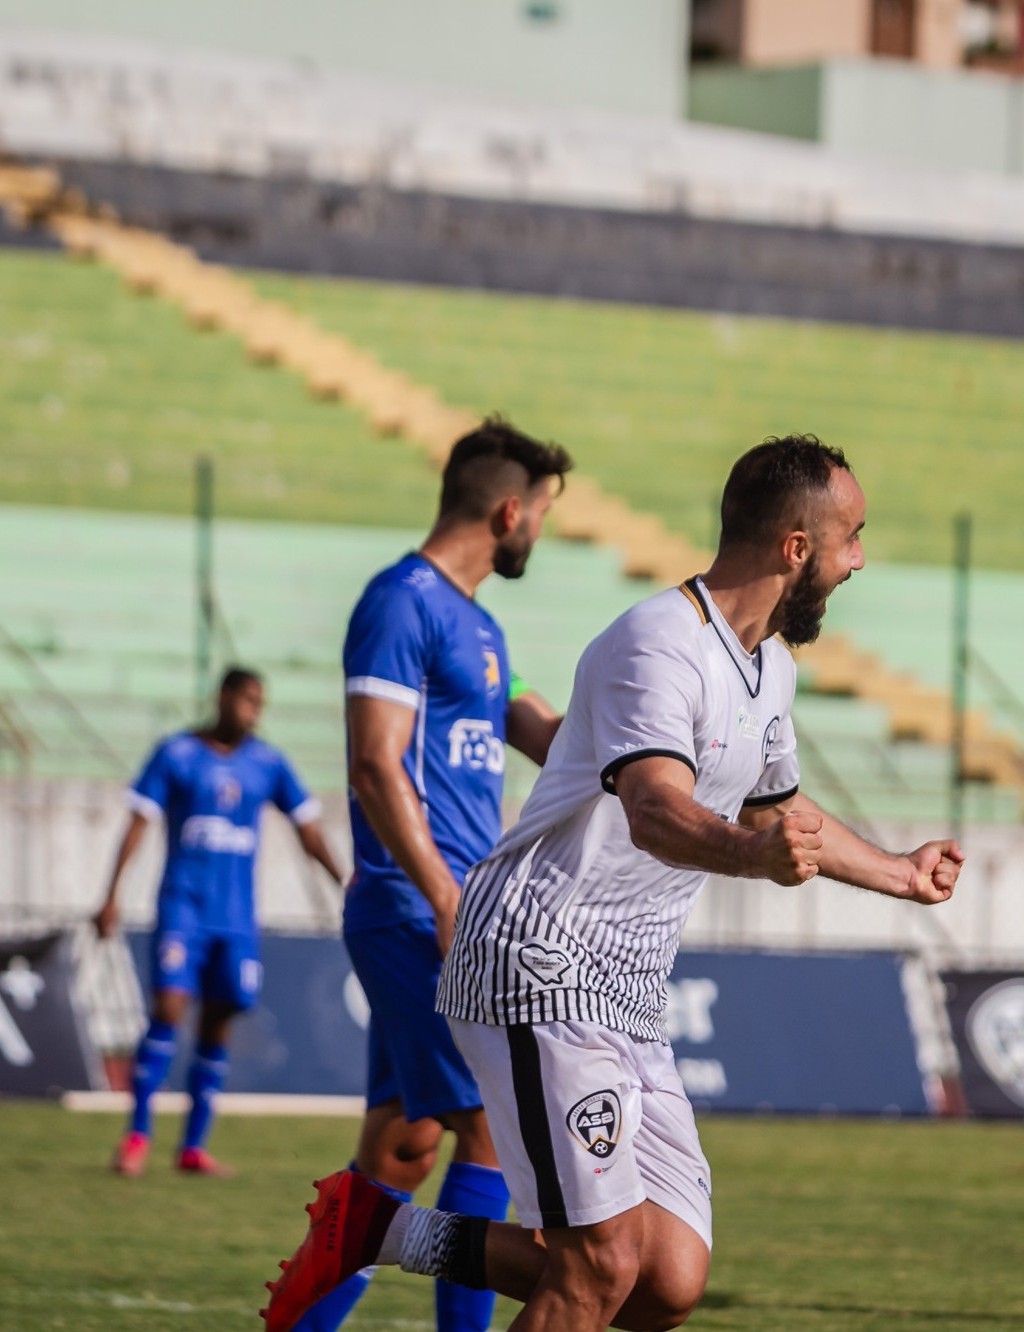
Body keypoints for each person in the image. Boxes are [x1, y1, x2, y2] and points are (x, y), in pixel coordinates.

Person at [262, 433, 965, 1332]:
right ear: (798, 548)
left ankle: (379, 1227)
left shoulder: (771, 669)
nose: (859, 558)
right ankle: (380, 1228)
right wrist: (755, 858)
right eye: (853, 537)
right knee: (597, 1265)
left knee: (664, 1279)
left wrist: (898, 875)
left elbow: (777, 812)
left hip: (627, 992)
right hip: (535, 959)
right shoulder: (657, 644)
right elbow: (654, 810)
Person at [290, 417, 570, 1332]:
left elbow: (549, 737)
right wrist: (448, 897)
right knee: (493, 1124)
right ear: (507, 511)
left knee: (400, 1152)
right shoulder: (400, 601)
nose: (542, 533)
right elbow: (376, 764)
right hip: (419, 907)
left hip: (446, 909)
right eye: (542, 516)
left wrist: (661, 750)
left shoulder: (476, 623)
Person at [95, 666, 344, 1177]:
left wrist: (348, 881)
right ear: (224, 697)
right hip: (182, 909)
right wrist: (111, 896)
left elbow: (308, 828)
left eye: (260, 703)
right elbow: (137, 824)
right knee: (167, 1009)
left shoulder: (267, 762)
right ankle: (138, 1134)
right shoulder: (177, 754)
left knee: (220, 1021)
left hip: (236, 920)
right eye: (248, 699)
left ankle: (193, 1146)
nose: (253, 711)